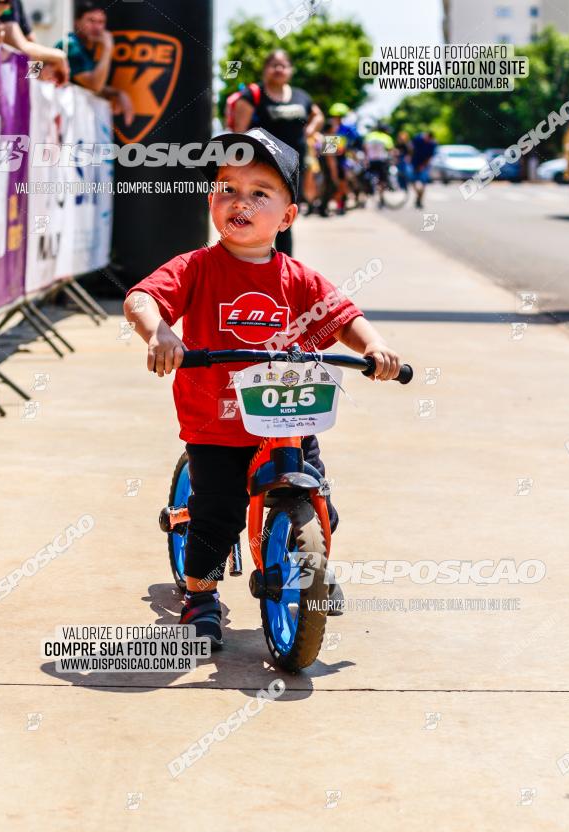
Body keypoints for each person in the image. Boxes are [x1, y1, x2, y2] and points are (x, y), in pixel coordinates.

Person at [123, 128, 402, 647]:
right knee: (216, 515)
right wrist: (160, 333)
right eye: (227, 188)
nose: (239, 202)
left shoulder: (298, 279)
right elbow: (143, 298)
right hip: (217, 422)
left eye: (259, 192)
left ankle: (309, 564)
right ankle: (201, 594)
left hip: (289, 417)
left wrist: (375, 347)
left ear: (288, 216)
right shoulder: (197, 268)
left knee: (321, 500)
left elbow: (344, 317)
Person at [232, 49, 323, 256]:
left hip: (294, 168)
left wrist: (310, 129)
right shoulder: (252, 95)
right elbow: (240, 134)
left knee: (285, 218)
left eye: (283, 65)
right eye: (273, 64)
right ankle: (252, 260)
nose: (278, 69)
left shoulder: (301, 96)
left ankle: (283, 266)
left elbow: (318, 115)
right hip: (264, 167)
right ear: (265, 70)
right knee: (259, 215)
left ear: (290, 70)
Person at [55, 0, 133, 125]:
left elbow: (84, 85)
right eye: (91, 20)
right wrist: (108, 49)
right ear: (77, 22)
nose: (97, 27)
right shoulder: (69, 44)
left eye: (101, 22)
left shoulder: (86, 48)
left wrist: (117, 93)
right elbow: (94, 85)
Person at [0, 0, 69, 84]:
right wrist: (60, 56)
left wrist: (36, 75)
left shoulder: (16, 2)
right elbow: (20, 46)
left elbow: (31, 43)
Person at [363, 123, 394, 207]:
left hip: (371, 161)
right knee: (382, 181)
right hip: (381, 161)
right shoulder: (386, 137)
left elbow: (365, 147)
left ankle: (365, 198)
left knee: (366, 178)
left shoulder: (370, 135)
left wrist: (366, 158)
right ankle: (381, 197)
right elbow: (391, 150)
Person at [410, 130, 437, 208]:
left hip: (424, 165)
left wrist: (423, 166)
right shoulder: (417, 139)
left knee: (423, 183)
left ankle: (419, 200)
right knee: (412, 182)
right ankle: (418, 196)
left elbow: (430, 157)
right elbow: (411, 149)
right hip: (414, 163)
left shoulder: (432, 144)